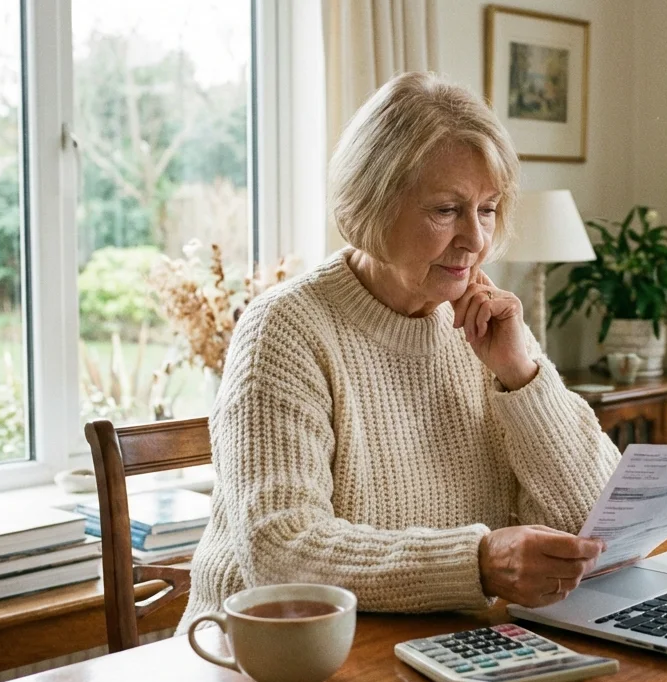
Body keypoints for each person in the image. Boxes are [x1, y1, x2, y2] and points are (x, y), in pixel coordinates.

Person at [178, 71, 620, 630]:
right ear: (373, 203)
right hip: (271, 663)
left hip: (437, 645)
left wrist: (521, 375)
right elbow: (282, 552)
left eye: (486, 209)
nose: (476, 239)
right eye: (446, 210)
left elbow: (595, 524)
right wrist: (477, 564)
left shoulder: (484, 320)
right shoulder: (286, 329)